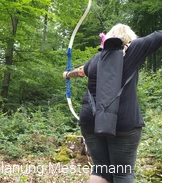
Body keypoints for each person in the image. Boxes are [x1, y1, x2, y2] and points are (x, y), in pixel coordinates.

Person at [63, 23, 162, 183]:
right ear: (129, 39)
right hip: (122, 122)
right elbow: (159, 35)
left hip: (91, 120)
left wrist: (68, 74)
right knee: (122, 173)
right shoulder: (134, 49)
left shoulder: (97, 58)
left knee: (101, 170)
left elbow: (81, 71)